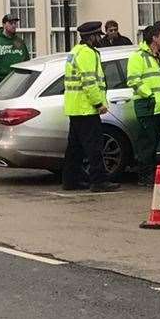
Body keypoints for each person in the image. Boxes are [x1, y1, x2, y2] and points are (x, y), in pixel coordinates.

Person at [62, 21, 118, 192]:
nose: (100, 39)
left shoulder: (75, 51)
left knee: (75, 148)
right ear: (91, 37)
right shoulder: (88, 53)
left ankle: (70, 181)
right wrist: (98, 103)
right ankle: (99, 181)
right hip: (86, 107)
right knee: (94, 146)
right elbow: (89, 82)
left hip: (74, 107)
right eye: (98, 36)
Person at [125, 24, 160, 180]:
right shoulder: (138, 56)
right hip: (147, 105)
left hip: (158, 106)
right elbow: (133, 80)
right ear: (154, 38)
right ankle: (144, 175)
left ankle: (150, 173)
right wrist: (150, 95)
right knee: (146, 143)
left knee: (153, 142)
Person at [0, 15, 31, 92]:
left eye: (15, 23)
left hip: (18, 80)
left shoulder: (19, 42)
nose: (14, 25)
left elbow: (26, 60)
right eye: (11, 23)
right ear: (3, 24)